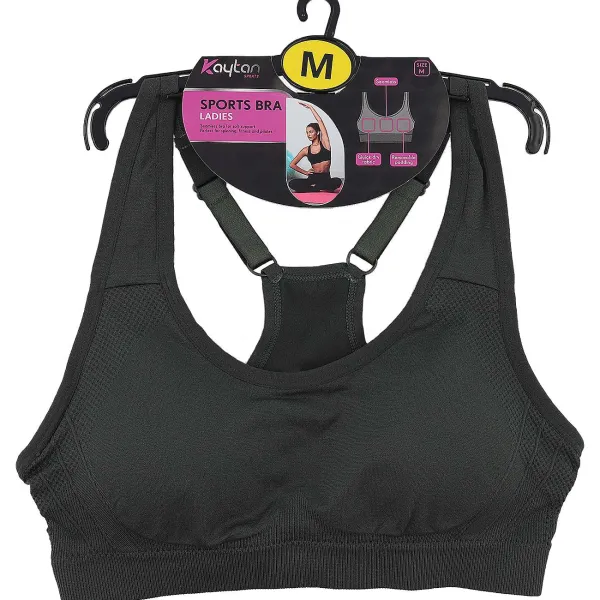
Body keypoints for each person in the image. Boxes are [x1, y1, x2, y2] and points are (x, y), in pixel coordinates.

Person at [288, 103, 343, 193]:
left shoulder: (325, 144)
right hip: (313, 178)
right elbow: (292, 164)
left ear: (317, 132)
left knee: (337, 181)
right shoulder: (306, 150)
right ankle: (317, 187)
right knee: (292, 183)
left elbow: (320, 121)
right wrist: (305, 172)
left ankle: (314, 188)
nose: (308, 134)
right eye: (307, 132)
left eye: (311, 132)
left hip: (325, 178)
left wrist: (311, 107)